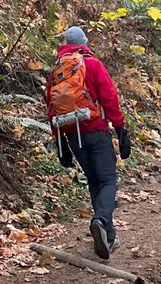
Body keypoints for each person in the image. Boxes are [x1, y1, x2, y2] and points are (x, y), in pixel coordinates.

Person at [45, 26, 129, 260]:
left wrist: (59, 142)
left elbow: (51, 108)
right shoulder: (91, 64)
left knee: (94, 181)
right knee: (108, 180)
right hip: (96, 130)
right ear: (84, 42)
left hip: (73, 135)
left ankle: (108, 237)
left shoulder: (57, 71)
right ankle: (101, 221)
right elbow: (109, 96)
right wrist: (120, 127)